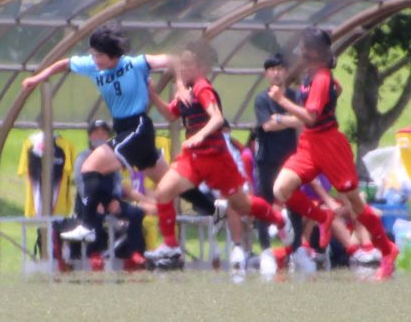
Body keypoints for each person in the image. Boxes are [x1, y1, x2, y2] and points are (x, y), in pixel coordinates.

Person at [22, 24, 188, 244]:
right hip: (125, 130)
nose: (94, 59)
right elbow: (64, 64)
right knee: (176, 184)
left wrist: (180, 86)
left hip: (138, 128)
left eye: (99, 55)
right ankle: (216, 208)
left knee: (90, 167)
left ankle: (89, 225)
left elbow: (173, 60)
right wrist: (37, 78)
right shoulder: (93, 66)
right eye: (93, 54)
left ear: (113, 55)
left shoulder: (134, 64)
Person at [144, 40, 293, 270]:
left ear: (202, 67)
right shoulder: (187, 90)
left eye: (188, 64)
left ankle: (279, 220)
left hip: (215, 158)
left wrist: (200, 135)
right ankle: (172, 247)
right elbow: (172, 115)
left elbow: (216, 119)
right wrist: (152, 94)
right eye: (181, 63)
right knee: (163, 192)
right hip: (192, 158)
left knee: (242, 205)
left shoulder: (202, 87)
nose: (182, 68)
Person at [269, 27, 398, 280]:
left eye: (303, 48)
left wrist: (282, 100)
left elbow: (311, 116)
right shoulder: (312, 75)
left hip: (330, 145)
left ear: (313, 52)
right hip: (309, 144)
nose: (299, 52)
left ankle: (387, 250)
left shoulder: (321, 78)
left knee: (354, 202)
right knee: (280, 189)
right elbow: (336, 90)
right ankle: (323, 215)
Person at [254, 52, 308, 275]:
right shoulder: (261, 99)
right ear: (266, 74)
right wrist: (290, 120)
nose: (276, 73)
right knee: (264, 204)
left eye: (279, 69)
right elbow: (267, 126)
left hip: (290, 159)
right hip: (267, 159)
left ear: (286, 72)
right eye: (272, 69)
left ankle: (297, 250)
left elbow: (304, 120)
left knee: (294, 203)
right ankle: (266, 250)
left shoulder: (295, 96)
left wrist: (279, 119)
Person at [72, 119, 147, 271]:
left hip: (109, 199)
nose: (100, 136)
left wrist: (115, 199)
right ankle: (94, 254)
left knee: (136, 213)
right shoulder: (83, 157)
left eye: (104, 133)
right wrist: (94, 202)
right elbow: (81, 185)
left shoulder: (113, 156)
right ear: (90, 136)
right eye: (96, 133)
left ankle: (133, 254)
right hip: (88, 201)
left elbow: (117, 181)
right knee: (94, 215)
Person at [17, 131, 75, 217]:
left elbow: (69, 169)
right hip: (36, 209)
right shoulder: (29, 144)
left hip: (58, 209)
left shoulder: (66, 146)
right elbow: (22, 170)